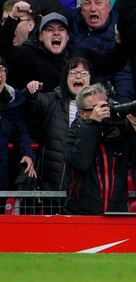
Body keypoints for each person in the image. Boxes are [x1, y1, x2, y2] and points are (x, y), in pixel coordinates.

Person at [64, 83, 136, 215]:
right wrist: (93, 125)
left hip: (116, 215)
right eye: (97, 108)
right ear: (82, 114)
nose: (104, 113)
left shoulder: (120, 133)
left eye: (106, 107)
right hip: (83, 215)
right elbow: (80, 162)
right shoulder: (74, 134)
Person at [24, 57, 91, 193]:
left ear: (91, 80)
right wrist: (30, 93)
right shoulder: (51, 100)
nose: (78, 76)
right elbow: (30, 107)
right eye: (73, 72)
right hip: (52, 187)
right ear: (65, 78)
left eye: (83, 73)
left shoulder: (98, 107)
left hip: (85, 192)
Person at [0, 56, 35, 191]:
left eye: (2, 70)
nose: (0, 75)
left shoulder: (12, 103)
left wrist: (26, 154)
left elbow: (21, 134)